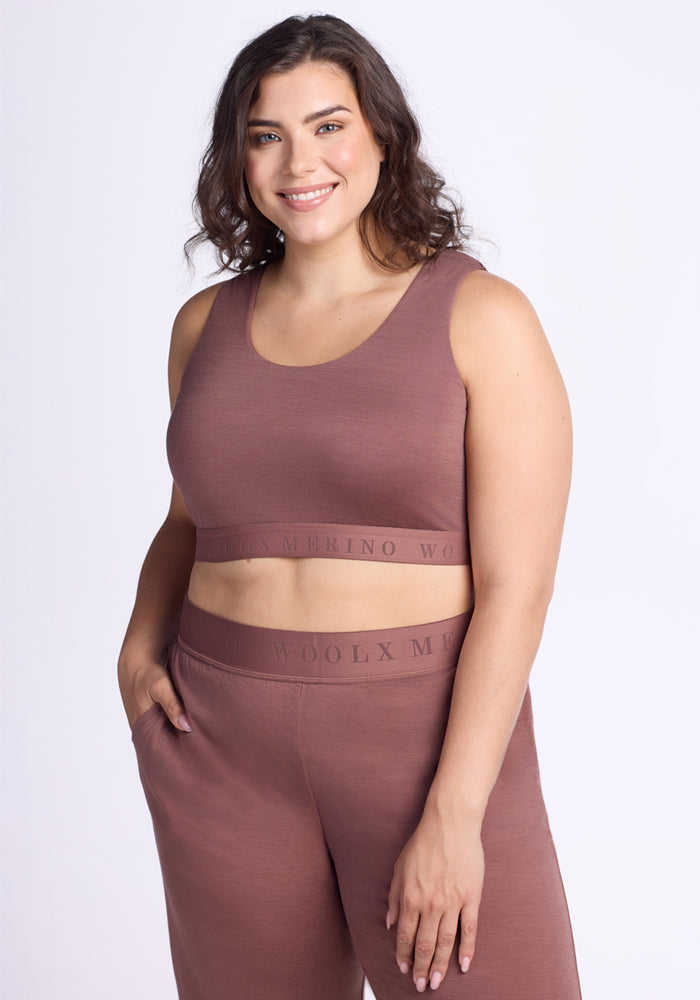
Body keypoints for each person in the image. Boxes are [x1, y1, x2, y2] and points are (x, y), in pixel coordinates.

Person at [117, 13, 583, 1000]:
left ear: (380, 132)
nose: (299, 161)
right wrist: (137, 643)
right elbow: (190, 520)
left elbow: (517, 587)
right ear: (237, 155)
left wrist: (454, 815)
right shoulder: (203, 326)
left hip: (421, 744)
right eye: (264, 133)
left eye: (328, 125)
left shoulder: (480, 316)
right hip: (220, 742)